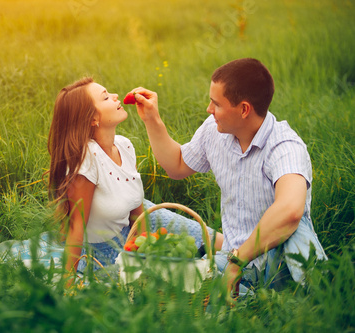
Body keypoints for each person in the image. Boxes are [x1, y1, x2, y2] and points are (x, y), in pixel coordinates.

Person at [129, 58, 327, 295]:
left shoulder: (285, 146)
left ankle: (310, 296)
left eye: (216, 104)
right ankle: (247, 298)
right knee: (176, 283)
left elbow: (291, 209)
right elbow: (178, 165)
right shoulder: (214, 131)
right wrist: (152, 119)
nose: (209, 110)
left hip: (278, 262)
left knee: (294, 227)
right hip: (233, 257)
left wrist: (237, 262)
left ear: (244, 109)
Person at [47, 77, 221, 282]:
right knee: (191, 275)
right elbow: (76, 228)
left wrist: (151, 247)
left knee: (212, 240)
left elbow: (136, 211)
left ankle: (253, 255)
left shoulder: (124, 145)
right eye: (106, 97)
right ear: (93, 118)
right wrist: (68, 283)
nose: (115, 96)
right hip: (103, 252)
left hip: (134, 226)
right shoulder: (87, 160)